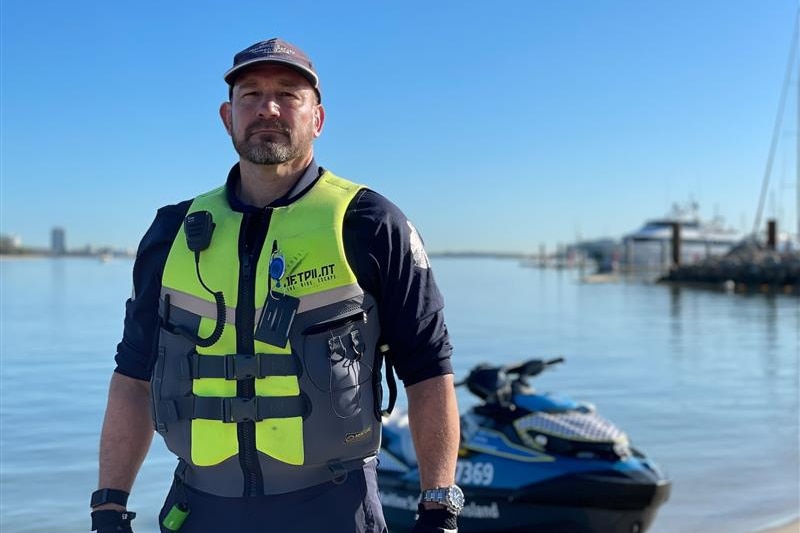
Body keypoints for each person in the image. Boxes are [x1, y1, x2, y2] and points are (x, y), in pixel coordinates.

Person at [90, 38, 462, 533]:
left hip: (334, 510)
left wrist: (438, 507)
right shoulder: (172, 231)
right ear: (227, 117)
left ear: (318, 119)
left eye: (288, 94)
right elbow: (134, 375)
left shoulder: (372, 223)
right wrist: (109, 506)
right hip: (200, 509)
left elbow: (429, 370)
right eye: (250, 95)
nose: (268, 108)